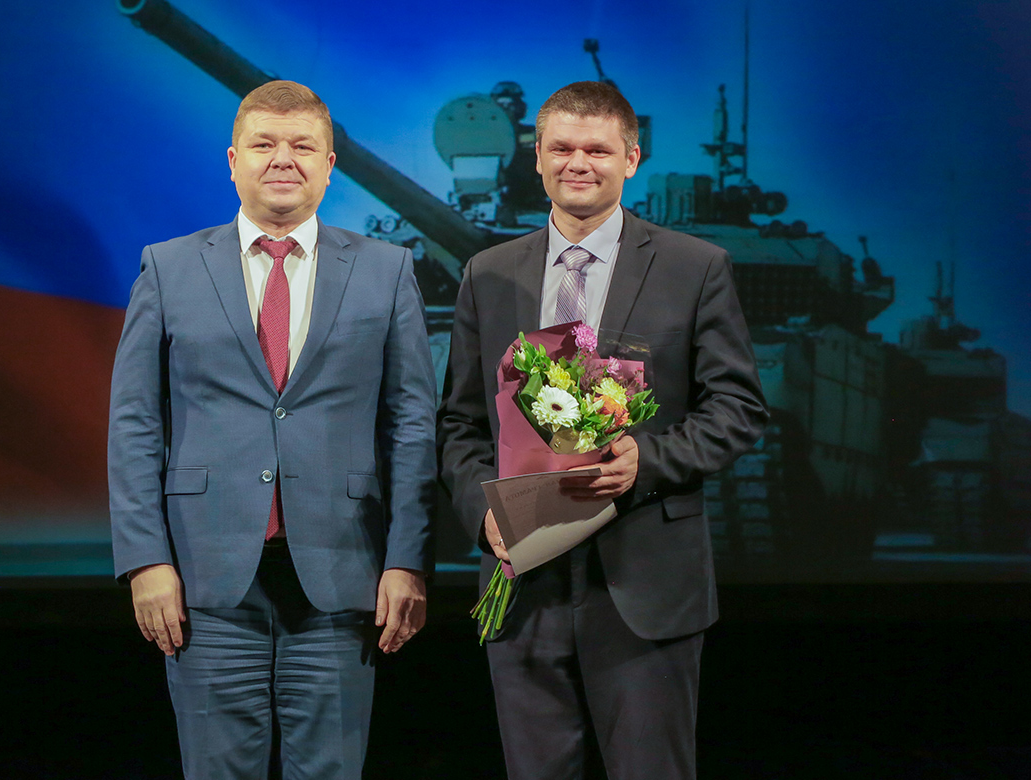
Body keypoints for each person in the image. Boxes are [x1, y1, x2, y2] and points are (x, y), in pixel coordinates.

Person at [438, 80, 768, 779]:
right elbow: (460, 423)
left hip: (645, 585)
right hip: (522, 584)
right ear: (536, 156)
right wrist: (482, 515)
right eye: (561, 148)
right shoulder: (487, 273)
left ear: (631, 159)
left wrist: (647, 461)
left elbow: (737, 408)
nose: (578, 163)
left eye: (597, 149)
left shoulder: (696, 267)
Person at [108, 80, 437, 780]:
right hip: (202, 582)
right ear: (233, 161)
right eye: (264, 144)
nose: (283, 159)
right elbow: (134, 423)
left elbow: (411, 425)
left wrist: (407, 559)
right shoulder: (167, 266)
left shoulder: (386, 270)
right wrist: (145, 560)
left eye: (302, 146)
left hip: (344, 579)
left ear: (329, 165)